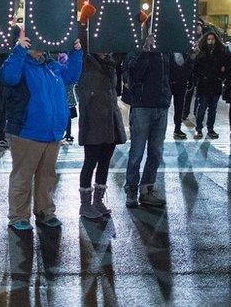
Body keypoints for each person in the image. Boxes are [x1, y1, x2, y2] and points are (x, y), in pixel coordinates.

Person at [0, 26, 83, 230]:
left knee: (47, 176)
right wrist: (19, 50)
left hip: (51, 133)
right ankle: (18, 216)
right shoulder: (19, 63)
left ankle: (45, 211)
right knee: (23, 176)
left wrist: (76, 53)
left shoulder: (51, 65)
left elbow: (72, 76)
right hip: (27, 131)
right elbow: (8, 77)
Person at [76, 50, 126, 219]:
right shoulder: (86, 60)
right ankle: (85, 205)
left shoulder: (111, 62)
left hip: (110, 119)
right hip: (93, 120)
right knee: (90, 162)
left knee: (104, 162)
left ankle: (98, 201)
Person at [124, 32, 171, 208]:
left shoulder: (165, 49)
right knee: (137, 151)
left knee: (156, 152)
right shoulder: (136, 48)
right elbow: (134, 74)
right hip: (142, 105)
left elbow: (175, 73)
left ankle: (147, 189)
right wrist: (145, 51)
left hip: (161, 104)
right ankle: (131, 189)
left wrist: (187, 58)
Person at [192, 32, 226, 140]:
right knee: (201, 108)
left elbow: (224, 68)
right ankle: (198, 129)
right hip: (203, 85)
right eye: (208, 39)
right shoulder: (201, 54)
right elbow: (195, 69)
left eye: (212, 39)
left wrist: (221, 75)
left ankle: (210, 129)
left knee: (212, 109)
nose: (210, 41)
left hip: (215, 84)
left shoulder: (220, 53)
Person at [168, 51, 195, 139]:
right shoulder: (167, 53)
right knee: (164, 108)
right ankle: (161, 129)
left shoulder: (185, 53)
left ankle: (177, 128)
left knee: (179, 107)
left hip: (181, 84)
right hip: (169, 83)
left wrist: (190, 80)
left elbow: (189, 68)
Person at [62, 79, 78, 144]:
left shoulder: (63, 79)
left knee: (66, 118)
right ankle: (68, 133)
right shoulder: (71, 79)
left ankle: (67, 134)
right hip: (69, 100)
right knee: (68, 118)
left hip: (64, 101)